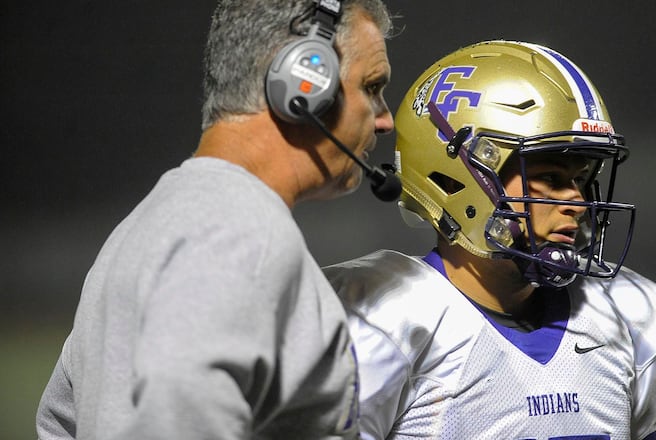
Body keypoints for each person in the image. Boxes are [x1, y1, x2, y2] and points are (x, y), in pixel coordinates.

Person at [36, 0, 394, 438]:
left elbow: (59, 423)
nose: (384, 120)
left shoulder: (143, 227)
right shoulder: (240, 232)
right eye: (372, 87)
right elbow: (178, 409)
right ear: (304, 83)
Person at [324, 40, 656, 440]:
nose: (577, 202)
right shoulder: (382, 318)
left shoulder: (629, 315)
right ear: (458, 174)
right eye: (550, 178)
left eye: (581, 180)